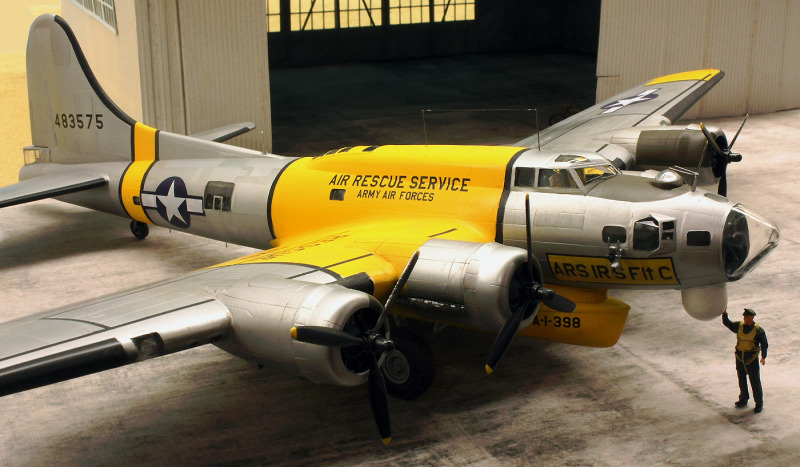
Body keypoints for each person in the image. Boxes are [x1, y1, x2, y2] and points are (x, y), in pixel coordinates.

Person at [721, 308, 768, 413]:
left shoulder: (758, 331)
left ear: (752, 317)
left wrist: (763, 356)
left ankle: (759, 403)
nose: (745, 318)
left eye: (747, 317)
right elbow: (728, 324)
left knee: (754, 381)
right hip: (739, 356)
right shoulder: (739, 326)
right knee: (741, 379)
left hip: (751, 358)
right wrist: (724, 313)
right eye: (744, 317)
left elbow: (764, 344)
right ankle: (743, 398)